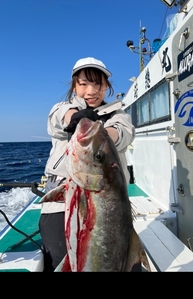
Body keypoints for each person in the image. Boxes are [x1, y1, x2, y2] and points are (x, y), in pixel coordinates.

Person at [39, 57, 136, 272]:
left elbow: (122, 133)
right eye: (83, 84)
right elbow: (58, 118)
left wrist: (101, 136)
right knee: (57, 257)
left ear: (106, 86)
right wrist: (74, 119)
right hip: (59, 203)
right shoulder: (64, 108)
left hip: (108, 203)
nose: (91, 91)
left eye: (97, 84)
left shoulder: (118, 115)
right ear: (74, 86)